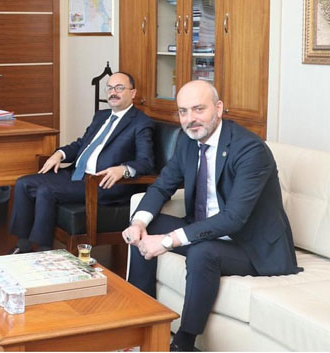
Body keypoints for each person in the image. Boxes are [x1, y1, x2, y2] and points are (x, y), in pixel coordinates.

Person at [123, 80, 300, 352]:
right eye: (183, 111)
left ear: (218, 108)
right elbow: (162, 186)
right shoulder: (187, 141)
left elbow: (233, 218)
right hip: (206, 230)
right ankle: (141, 321)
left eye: (198, 109)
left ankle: (184, 342)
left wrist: (168, 241)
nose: (190, 119)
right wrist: (138, 223)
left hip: (250, 246)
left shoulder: (250, 150)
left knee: (202, 252)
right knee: (148, 225)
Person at [9, 71, 154, 253]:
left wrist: (123, 169)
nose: (113, 92)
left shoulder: (141, 122)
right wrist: (60, 154)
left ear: (133, 93)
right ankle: (23, 245)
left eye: (119, 88)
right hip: (77, 174)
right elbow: (81, 144)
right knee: (23, 183)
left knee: (46, 191)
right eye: (109, 88)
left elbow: (146, 162)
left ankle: (44, 251)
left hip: (102, 183)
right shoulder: (101, 116)